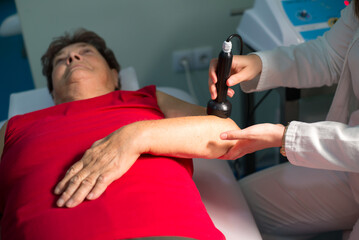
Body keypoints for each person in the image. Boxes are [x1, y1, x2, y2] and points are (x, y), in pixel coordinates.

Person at [0, 29, 241, 240]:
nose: (72, 57)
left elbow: (227, 134)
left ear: (115, 75)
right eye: (60, 61)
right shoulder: (15, 127)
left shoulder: (146, 99)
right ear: (52, 91)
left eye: (85, 52)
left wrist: (135, 136)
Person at [209, 1, 359, 239]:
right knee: (231, 208)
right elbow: (330, 56)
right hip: (348, 169)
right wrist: (259, 64)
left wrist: (283, 136)